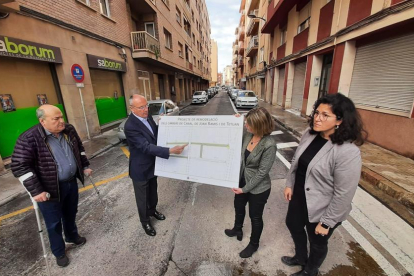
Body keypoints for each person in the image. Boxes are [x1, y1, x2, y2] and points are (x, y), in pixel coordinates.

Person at [282, 93, 365, 276]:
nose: (317, 118)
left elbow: (344, 193)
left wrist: (327, 222)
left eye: (325, 115)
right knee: (293, 224)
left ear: (340, 121)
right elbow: (297, 160)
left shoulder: (347, 152)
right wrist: (289, 183)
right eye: (316, 112)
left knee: (318, 241)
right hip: (299, 195)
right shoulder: (310, 134)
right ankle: (300, 257)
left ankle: (311, 271)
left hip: (323, 207)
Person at [11, 104, 92, 267]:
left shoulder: (69, 130)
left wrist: (84, 165)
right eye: (56, 119)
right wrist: (37, 190)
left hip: (70, 182)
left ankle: (71, 236)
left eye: (61, 117)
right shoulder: (29, 138)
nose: (62, 121)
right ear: (42, 121)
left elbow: (79, 149)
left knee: (70, 212)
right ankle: (59, 251)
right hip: (48, 189)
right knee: (54, 222)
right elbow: (19, 166)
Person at [124, 94, 186, 237]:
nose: (146, 109)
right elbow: (145, 147)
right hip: (140, 168)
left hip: (153, 164)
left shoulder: (149, 117)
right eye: (141, 107)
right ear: (132, 108)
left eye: (146, 106)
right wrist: (169, 151)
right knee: (142, 198)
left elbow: (154, 134)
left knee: (153, 192)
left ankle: (153, 210)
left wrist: (164, 123)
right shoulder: (130, 126)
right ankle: (145, 221)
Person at [225, 107, 277, 258]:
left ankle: (254, 244)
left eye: (248, 124)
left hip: (258, 188)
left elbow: (262, 173)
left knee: (255, 216)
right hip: (242, 180)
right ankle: (237, 229)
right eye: (246, 123)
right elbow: (233, 141)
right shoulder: (249, 135)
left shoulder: (269, 145)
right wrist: (234, 122)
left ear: (259, 125)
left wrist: (245, 189)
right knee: (239, 206)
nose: (246, 126)